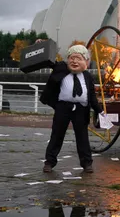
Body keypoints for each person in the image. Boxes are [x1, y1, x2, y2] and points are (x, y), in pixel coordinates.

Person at [39, 43, 102, 173]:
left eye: (78, 58)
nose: (74, 61)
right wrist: (41, 46)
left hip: (81, 109)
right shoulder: (61, 69)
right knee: (57, 135)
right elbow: (50, 61)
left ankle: (87, 163)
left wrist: (99, 111)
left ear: (86, 62)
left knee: (82, 137)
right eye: (72, 58)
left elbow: (92, 96)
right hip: (63, 107)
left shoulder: (88, 77)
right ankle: (49, 162)